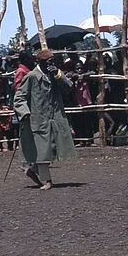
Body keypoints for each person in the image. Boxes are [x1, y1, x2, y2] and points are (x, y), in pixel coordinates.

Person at [13, 48, 76, 190]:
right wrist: (24, 113)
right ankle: (47, 180)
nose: (51, 64)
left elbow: (69, 87)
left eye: (52, 61)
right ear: (39, 62)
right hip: (37, 119)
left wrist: (58, 74)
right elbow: (19, 98)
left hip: (54, 118)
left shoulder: (54, 75)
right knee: (42, 150)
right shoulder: (32, 77)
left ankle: (32, 168)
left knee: (51, 148)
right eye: (48, 62)